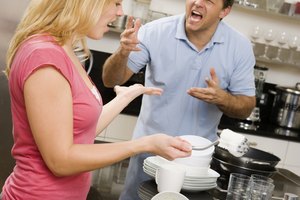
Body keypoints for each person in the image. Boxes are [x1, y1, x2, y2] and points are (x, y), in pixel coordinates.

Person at [0, 1, 193, 200]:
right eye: (116, 3)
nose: (120, 12)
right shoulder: (44, 57)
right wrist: (143, 144)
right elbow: (60, 161)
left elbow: (79, 130)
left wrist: (125, 97)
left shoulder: (63, 49)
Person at [102, 0, 256, 199]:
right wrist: (123, 52)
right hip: (149, 155)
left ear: (224, 11)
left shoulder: (239, 47)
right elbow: (110, 80)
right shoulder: (154, 32)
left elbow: (246, 108)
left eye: (209, 1)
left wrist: (222, 98)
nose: (198, 3)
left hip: (197, 163)